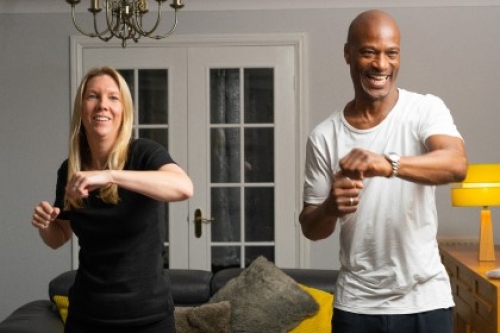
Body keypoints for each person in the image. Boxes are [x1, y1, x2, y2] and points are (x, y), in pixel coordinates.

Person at [299, 10, 467, 333]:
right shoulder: (324, 136)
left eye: (391, 53)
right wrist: (330, 208)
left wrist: (388, 163)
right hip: (357, 306)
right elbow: (311, 227)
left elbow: (456, 164)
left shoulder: (424, 110)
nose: (381, 64)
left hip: (426, 301)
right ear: (348, 54)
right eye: (368, 52)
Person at [31, 66, 193, 333]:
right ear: (82, 109)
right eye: (93, 96)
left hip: (148, 318)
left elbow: (183, 187)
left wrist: (109, 175)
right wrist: (46, 224)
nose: (102, 105)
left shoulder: (144, 154)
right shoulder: (71, 168)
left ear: (123, 111)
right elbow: (59, 236)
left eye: (113, 97)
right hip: (87, 316)